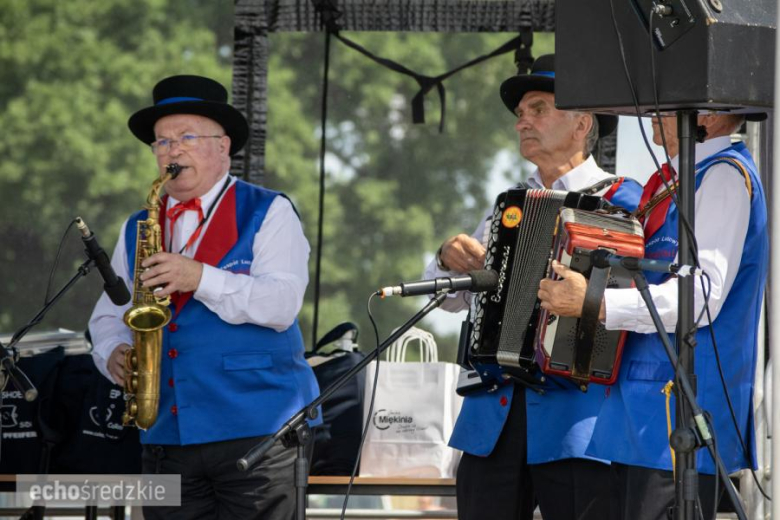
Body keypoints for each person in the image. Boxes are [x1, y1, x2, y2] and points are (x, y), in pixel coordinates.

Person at [89, 74, 320, 519]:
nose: (172, 151)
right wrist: (111, 351)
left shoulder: (270, 210)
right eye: (161, 142)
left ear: (222, 146)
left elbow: (281, 304)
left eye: (186, 137)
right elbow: (108, 315)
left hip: (258, 433)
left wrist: (199, 277)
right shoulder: (139, 225)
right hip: (166, 435)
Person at [424, 54, 642, 520]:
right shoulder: (507, 206)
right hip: (494, 421)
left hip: (582, 423)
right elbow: (448, 296)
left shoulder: (627, 201)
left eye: (538, 108)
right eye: (521, 113)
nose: (523, 120)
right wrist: (445, 258)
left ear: (583, 123)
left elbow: (647, 306)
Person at [538, 112, 767, 520]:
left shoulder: (723, 177)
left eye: (668, 101)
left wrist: (596, 303)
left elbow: (701, 295)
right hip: (642, 412)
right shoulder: (672, 180)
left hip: (677, 414)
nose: (652, 114)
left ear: (711, 113)